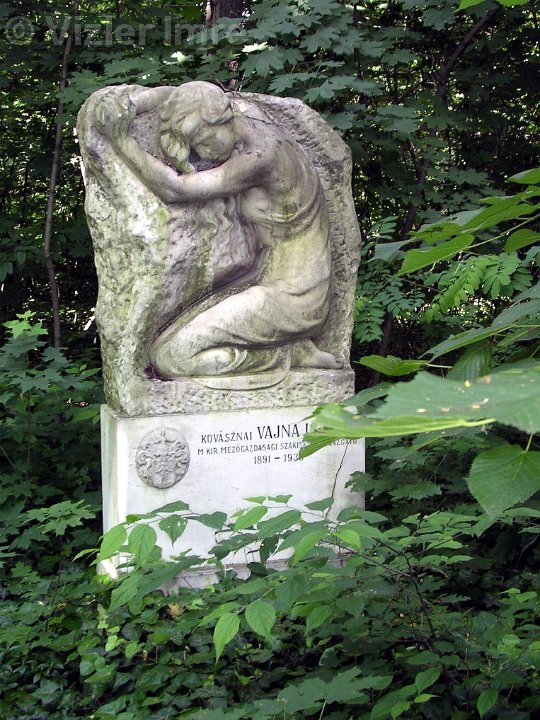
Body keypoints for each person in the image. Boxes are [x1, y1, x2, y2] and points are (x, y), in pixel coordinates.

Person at [94, 81, 342, 389]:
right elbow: (180, 94)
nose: (203, 153)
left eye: (204, 142)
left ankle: (286, 353)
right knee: (160, 351)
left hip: (295, 294)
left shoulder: (263, 156)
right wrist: (133, 105)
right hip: (264, 281)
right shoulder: (244, 115)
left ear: (220, 121)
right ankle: (283, 348)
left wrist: (120, 140)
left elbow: (176, 189)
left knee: (173, 358)